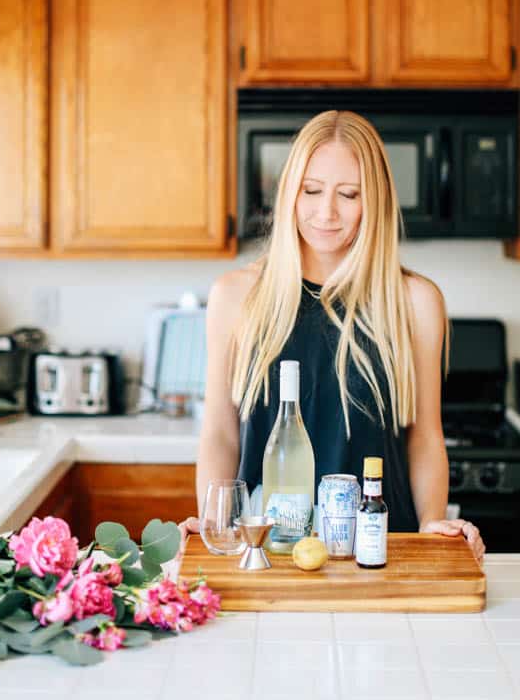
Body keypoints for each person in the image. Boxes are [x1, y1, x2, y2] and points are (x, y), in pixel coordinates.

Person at [189, 110, 484, 562]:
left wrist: (430, 524)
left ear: (376, 201)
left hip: (380, 552)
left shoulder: (415, 301)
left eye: (348, 194)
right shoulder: (236, 296)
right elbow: (220, 434)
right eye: (311, 190)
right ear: (289, 191)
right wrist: (214, 519)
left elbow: (424, 436)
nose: (325, 212)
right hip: (267, 553)